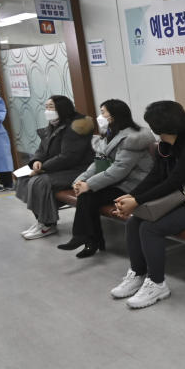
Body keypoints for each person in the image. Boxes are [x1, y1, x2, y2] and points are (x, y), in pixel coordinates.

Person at [111, 100, 185, 309]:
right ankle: (138, 274)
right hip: (181, 200)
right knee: (134, 222)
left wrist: (137, 201)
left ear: (159, 126)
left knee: (151, 229)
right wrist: (131, 197)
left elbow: (172, 182)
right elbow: (156, 175)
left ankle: (157, 284)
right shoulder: (166, 145)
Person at [57, 99, 153, 258]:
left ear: (114, 115)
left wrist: (89, 185)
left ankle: (87, 239)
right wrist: (80, 181)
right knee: (86, 195)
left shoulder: (134, 138)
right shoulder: (110, 132)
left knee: (89, 195)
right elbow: (99, 162)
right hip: (116, 180)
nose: (99, 116)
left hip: (134, 183)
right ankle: (89, 239)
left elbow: (120, 169)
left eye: (103, 112)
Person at [15, 95, 95, 239]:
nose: (47, 110)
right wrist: (36, 161)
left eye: (51, 106)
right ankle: (42, 220)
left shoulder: (77, 125)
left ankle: (47, 224)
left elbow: (69, 156)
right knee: (24, 178)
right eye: (46, 107)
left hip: (79, 169)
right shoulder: (53, 124)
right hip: (58, 167)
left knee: (39, 182)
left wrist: (43, 168)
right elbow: (42, 148)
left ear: (62, 108)